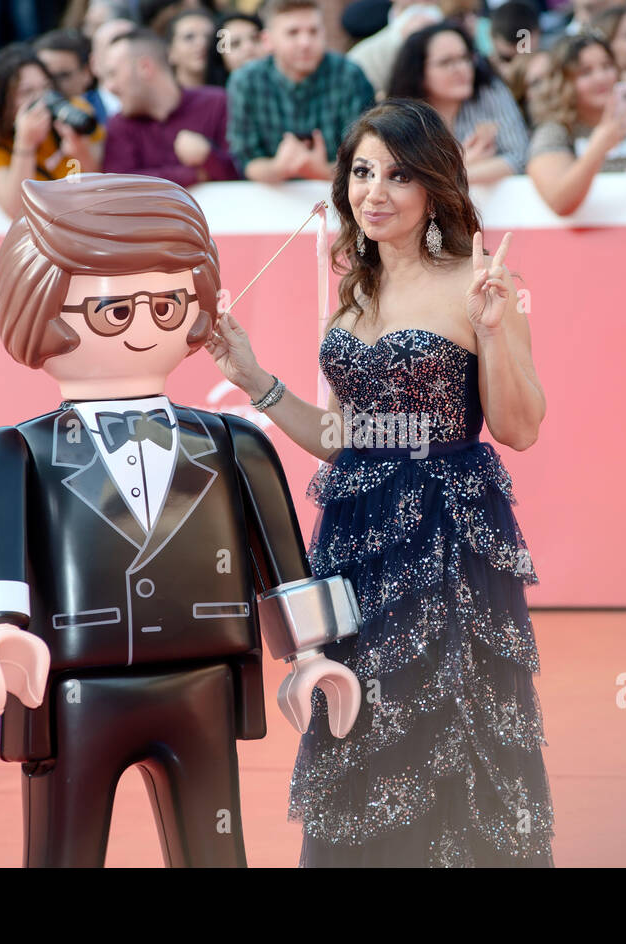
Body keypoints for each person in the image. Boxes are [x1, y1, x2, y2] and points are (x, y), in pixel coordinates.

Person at [0, 172, 362, 867]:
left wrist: (311, 655)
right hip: (72, 689)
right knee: (64, 850)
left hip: (201, 684)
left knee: (215, 851)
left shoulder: (235, 443)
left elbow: (285, 563)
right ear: (35, 308)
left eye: (170, 303)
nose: (147, 325)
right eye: (115, 311)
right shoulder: (12, 452)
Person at [205, 98, 555, 867]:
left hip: (446, 531)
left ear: (434, 188)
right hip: (358, 538)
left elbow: (520, 427)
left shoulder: (478, 283)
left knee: (445, 711)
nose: (375, 191)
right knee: (356, 708)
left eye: (398, 175)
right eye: (362, 172)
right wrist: (255, 378)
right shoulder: (350, 304)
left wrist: (492, 332)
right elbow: (341, 438)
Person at [527, 32, 626, 215]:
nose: (601, 77)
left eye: (607, 66)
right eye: (585, 72)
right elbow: (559, 202)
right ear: (563, 81)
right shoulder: (554, 131)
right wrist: (599, 147)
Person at [226, 0, 375, 182]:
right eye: (293, 33)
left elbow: (366, 161)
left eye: (313, 31)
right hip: (270, 199)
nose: (305, 42)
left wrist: (320, 170)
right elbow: (246, 160)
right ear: (267, 41)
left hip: (337, 196)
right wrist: (278, 168)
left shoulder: (350, 75)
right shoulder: (245, 81)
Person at [387, 22, 531, 183]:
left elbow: (520, 157)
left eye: (465, 58)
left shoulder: (489, 91)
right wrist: (460, 164)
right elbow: (401, 176)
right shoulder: (403, 116)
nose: (461, 68)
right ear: (418, 73)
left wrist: (453, 176)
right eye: (446, 62)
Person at [0, 43, 103, 219]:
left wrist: (81, 151)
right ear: (4, 102)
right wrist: (25, 143)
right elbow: (16, 211)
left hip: (85, 224)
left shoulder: (74, 114)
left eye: (45, 87)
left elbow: (101, 185)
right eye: (27, 92)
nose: (41, 100)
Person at [101, 27, 239, 183]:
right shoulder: (118, 125)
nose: (109, 87)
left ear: (145, 68)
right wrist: (194, 174)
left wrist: (208, 156)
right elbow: (120, 186)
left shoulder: (217, 103)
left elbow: (243, 172)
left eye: (113, 74)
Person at [33, 27, 110, 123]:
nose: (52, 86)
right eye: (45, 77)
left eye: (62, 76)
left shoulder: (110, 112)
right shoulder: (26, 122)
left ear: (87, 73)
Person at [203, 12, 262, 87]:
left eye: (255, 38)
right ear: (220, 57)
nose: (248, 47)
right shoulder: (215, 97)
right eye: (235, 44)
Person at [163, 6, 216, 89]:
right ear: (170, 52)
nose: (202, 43)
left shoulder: (230, 94)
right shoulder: (161, 99)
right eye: (189, 37)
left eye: (209, 37)